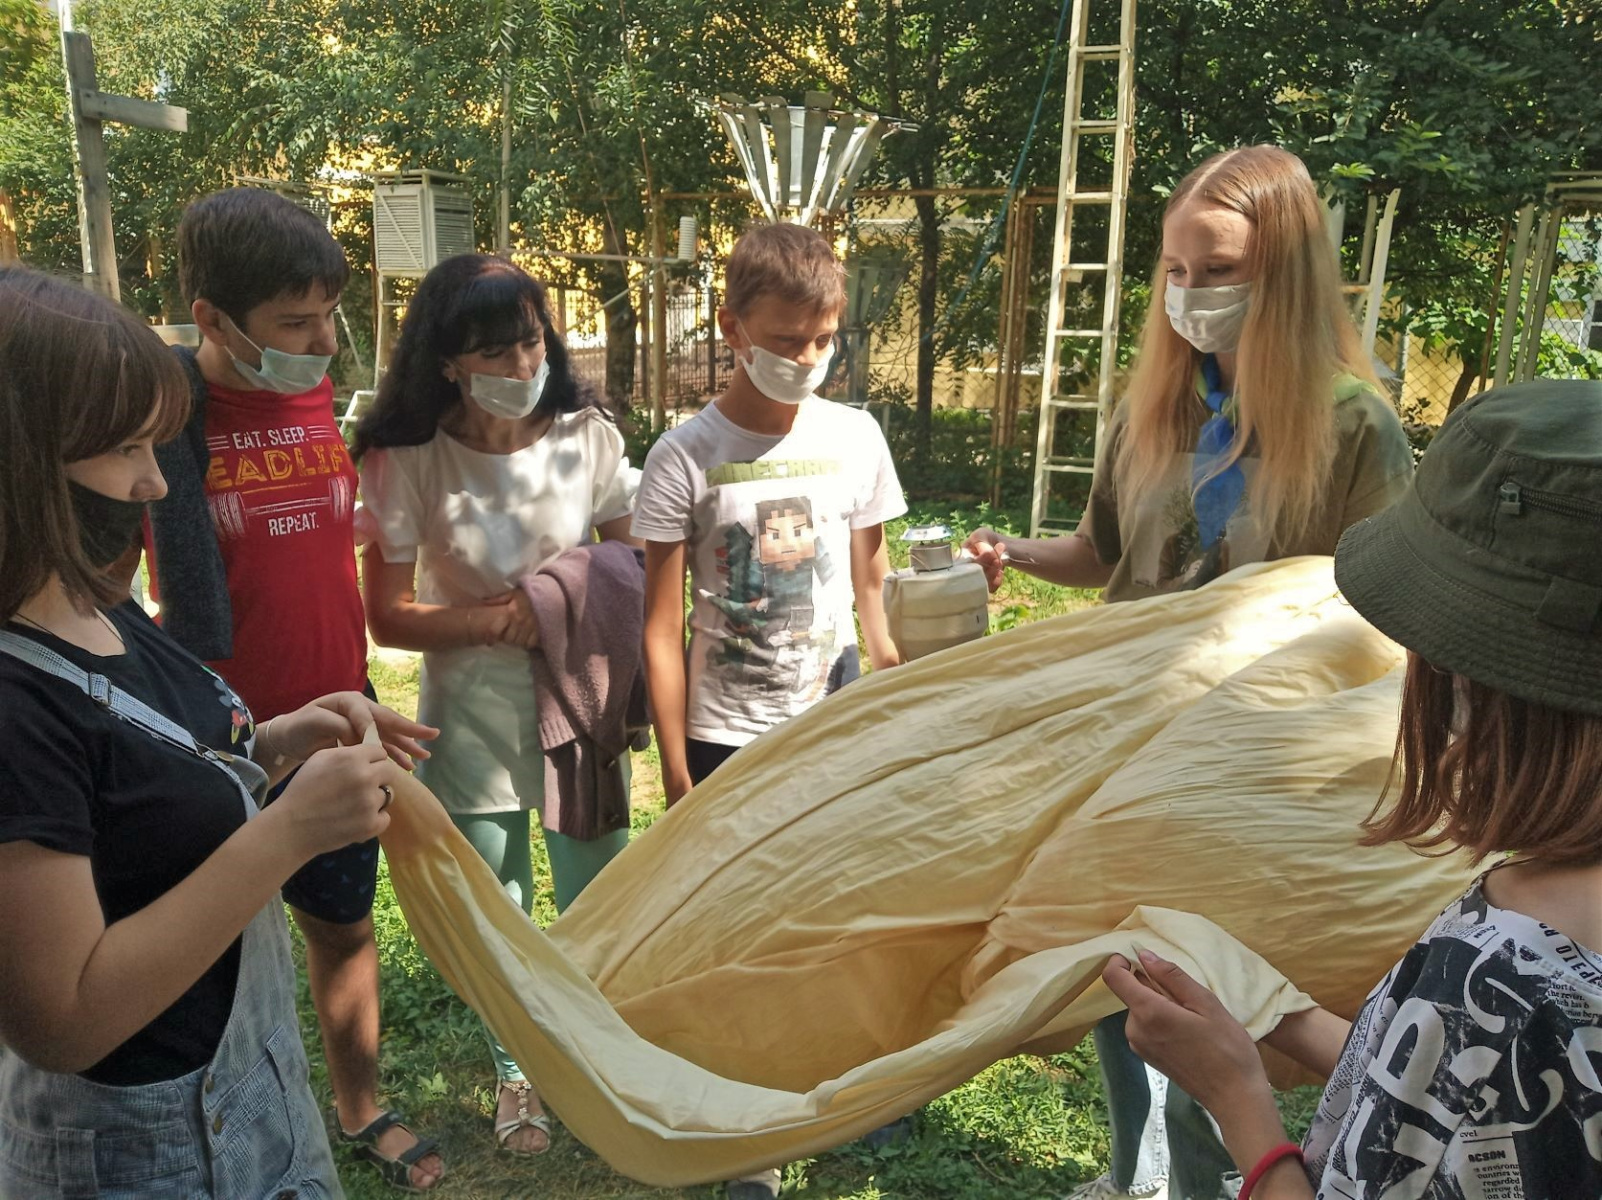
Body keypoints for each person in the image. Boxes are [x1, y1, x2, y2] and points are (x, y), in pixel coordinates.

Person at [964, 146, 1415, 1199]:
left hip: (1260, 773)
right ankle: (1137, 1174)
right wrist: (1015, 555)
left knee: (1225, 996)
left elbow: (1387, 613)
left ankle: (1210, 1182)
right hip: (1126, 751)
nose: (1189, 293)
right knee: (1122, 974)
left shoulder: (1354, 424)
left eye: (1217, 271)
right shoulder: (1152, 407)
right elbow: (1106, 555)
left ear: (1284, 277)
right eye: (1174, 269)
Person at [1103, 378, 1602, 1199]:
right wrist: (1282, 1014)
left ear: (1474, 682)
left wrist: (1237, 1097)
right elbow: (1457, 1102)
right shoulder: (1521, 979)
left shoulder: (1498, 973)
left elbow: (1472, 1062)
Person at [0, 267, 434, 1197]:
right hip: (139, 1153)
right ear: (19, 462)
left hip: (251, 1090)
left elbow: (140, 787)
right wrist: (288, 832)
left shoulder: (94, 605)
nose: (156, 481)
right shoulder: (14, 702)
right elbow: (62, 1019)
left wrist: (276, 743)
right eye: (124, 450)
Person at [142, 187, 445, 1191]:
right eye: (294, 322)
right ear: (213, 319)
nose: (322, 342)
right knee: (214, 949)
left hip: (339, 720)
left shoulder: (313, 399)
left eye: (328, 315)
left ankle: (360, 1106)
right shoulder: (163, 422)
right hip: (216, 740)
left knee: (343, 928)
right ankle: (226, 1128)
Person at [631, 220, 907, 1199]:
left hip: (836, 723)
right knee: (742, 935)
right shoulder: (684, 457)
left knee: (845, 913)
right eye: (786, 340)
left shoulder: (856, 437)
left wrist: (893, 697)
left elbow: (872, 592)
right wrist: (675, 768)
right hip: (726, 740)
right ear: (732, 327)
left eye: (823, 339)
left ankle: (852, 1082)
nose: (806, 358)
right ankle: (750, 1130)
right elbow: (661, 628)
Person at [355, 253, 641, 1157]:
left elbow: (631, 563)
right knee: (499, 905)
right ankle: (521, 1073)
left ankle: (600, 1057)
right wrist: (495, 621)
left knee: (600, 891)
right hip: (469, 713)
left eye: (532, 341)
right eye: (496, 351)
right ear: (447, 362)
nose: (523, 365)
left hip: (580, 700)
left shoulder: (587, 436)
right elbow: (387, 616)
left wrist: (551, 603)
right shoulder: (409, 459)